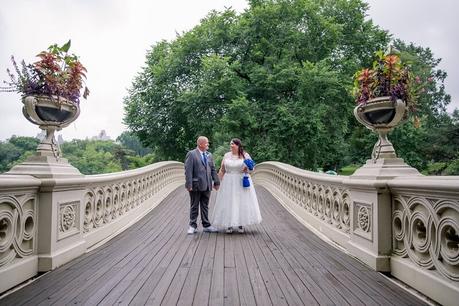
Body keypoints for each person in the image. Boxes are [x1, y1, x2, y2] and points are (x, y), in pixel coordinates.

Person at [211, 138, 262, 233]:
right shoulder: (226, 155)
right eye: (230, 144)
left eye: (233, 144)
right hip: (228, 181)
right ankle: (229, 224)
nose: (231, 145)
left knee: (241, 201)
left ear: (238, 146)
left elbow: (252, 168)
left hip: (240, 180)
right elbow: (222, 170)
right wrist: (217, 182)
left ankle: (240, 224)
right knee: (228, 201)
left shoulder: (245, 155)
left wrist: (248, 170)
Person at [185, 136, 220, 234]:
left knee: (205, 206)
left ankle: (206, 225)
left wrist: (216, 182)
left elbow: (213, 169)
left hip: (207, 185)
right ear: (200, 144)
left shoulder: (209, 155)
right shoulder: (191, 154)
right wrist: (189, 184)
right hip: (195, 185)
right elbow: (188, 171)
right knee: (194, 206)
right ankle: (192, 226)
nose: (208, 145)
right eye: (206, 143)